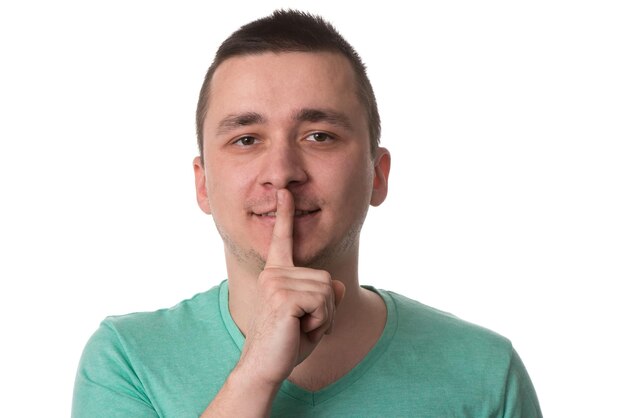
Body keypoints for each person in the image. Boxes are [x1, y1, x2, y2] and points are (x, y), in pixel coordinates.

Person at [72, 10, 542, 417]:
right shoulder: (127, 359)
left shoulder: (485, 372)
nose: (281, 173)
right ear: (203, 185)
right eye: (246, 139)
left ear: (377, 176)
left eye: (318, 135)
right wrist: (256, 372)